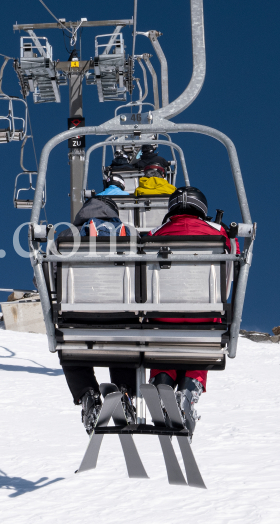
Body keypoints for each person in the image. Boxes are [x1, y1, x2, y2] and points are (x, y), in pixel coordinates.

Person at [145, 186, 238, 434]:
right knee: (199, 344)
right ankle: (189, 387)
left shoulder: (155, 233)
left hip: (163, 314)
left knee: (165, 341)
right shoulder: (218, 232)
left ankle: (163, 379)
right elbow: (235, 256)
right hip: (205, 314)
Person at [58, 195, 135, 433]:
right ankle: (123, 389)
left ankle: (87, 394)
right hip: (122, 315)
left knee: (70, 349)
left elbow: (49, 275)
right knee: (125, 341)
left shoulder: (67, 236)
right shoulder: (130, 235)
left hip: (77, 316)